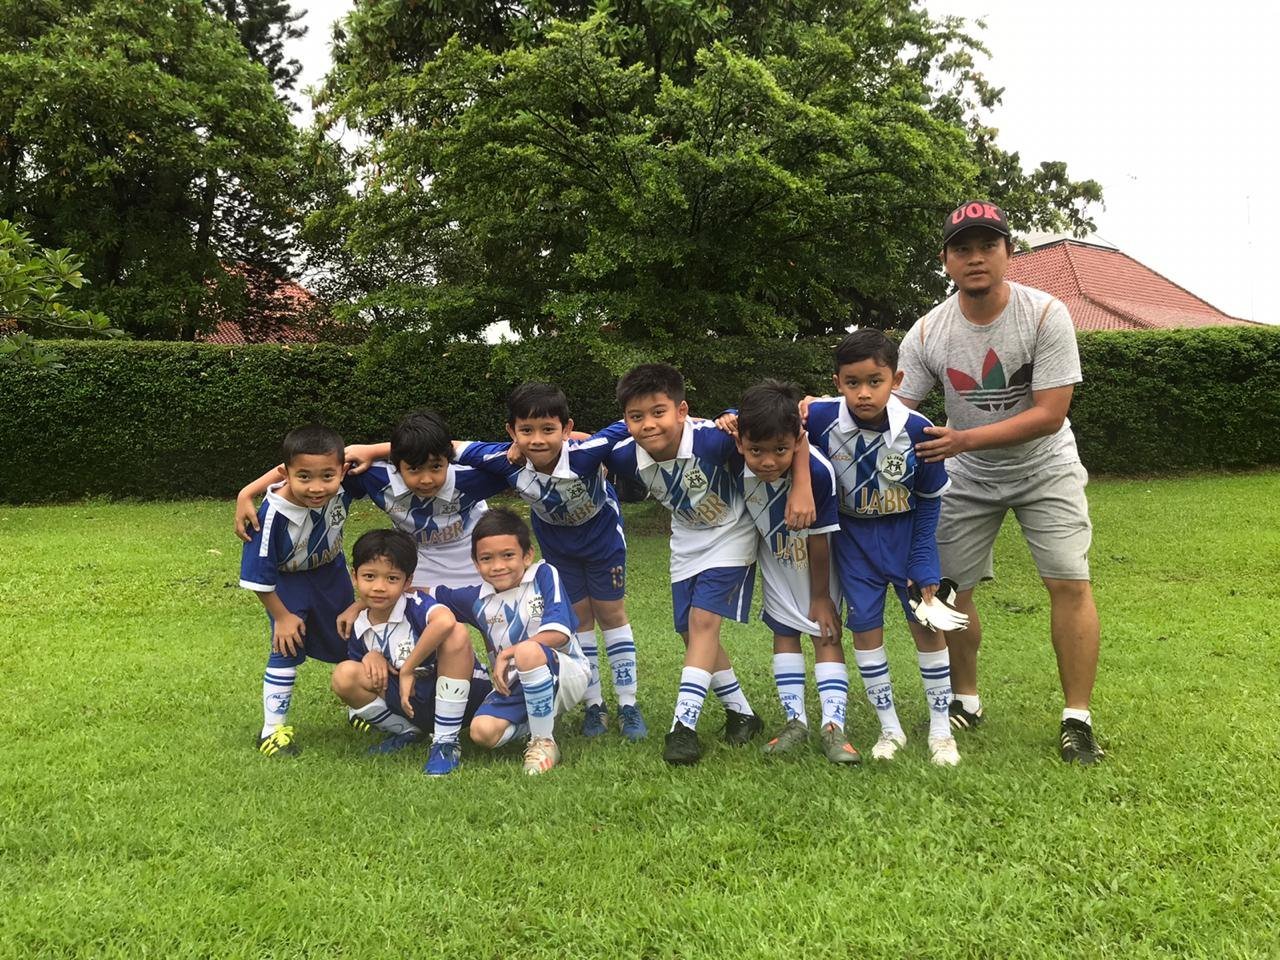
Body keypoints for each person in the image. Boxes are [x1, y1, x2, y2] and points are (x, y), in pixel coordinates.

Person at [895, 200, 1104, 765]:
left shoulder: (1045, 314)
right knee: (944, 590)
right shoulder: (927, 331)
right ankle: (965, 700)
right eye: (962, 248)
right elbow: (893, 409)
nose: (976, 258)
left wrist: (962, 439)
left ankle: (1077, 719)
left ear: (1009, 252)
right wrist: (823, 411)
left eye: (988, 245)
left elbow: (1050, 415)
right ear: (946, 260)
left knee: (1068, 582)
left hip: (1045, 466)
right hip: (967, 474)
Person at [605, 364, 815, 765]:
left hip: (733, 533)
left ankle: (682, 727)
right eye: (636, 416)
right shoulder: (623, 457)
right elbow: (584, 448)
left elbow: (781, 430)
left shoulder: (715, 440)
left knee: (703, 622)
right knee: (689, 632)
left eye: (659, 412)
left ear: (682, 410)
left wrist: (801, 481)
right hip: (686, 540)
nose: (649, 424)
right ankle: (742, 713)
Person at [453, 383, 647, 741]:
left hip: (603, 540)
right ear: (511, 431)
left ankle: (628, 704)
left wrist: (724, 419)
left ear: (566, 428)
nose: (538, 439)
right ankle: (594, 705)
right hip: (558, 547)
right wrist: (369, 451)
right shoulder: (505, 459)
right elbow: (449, 447)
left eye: (548, 429)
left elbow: (637, 420)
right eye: (526, 430)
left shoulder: (586, 453)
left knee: (611, 613)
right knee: (579, 618)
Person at [805, 330, 962, 766]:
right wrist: (729, 416)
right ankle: (889, 728)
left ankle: (941, 730)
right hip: (853, 544)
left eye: (875, 381)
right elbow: (769, 419)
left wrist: (923, 560)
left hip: (907, 541)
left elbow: (929, 501)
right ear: (837, 382)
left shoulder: (919, 430)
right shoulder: (818, 418)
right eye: (852, 382)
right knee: (865, 630)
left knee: (927, 628)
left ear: (897, 379)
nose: (863, 393)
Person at [730, 381, 861, 765]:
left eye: (780, 450)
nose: (767, 461)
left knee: (825, 632)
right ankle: (795, 721)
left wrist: (821, 596)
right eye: (756, 451)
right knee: (784, 633)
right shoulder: (734, 455)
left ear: (796, 443)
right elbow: (717, 425)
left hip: (818, 567)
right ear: (740, 443)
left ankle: (834, 725)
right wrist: (725, 416)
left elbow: (820, 538)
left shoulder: (817, 472)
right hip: (776, 561)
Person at [237, 410, 509, 591]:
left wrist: (375, 448)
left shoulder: (469, 478)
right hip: (420, 561)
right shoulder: (374, 477)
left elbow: (511, 454)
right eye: (414, 469)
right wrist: (247, 492)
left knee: (495, 619)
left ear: (447, 461)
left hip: (470, 556)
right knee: (421, 626)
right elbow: (307, 464)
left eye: (436, 467)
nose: (426, 480)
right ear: (397, 465)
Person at [429, 508, 590, 776]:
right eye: (486, 558)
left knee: (527, 651)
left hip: (566, 673)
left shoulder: (543, 575)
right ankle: (539, 721)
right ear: (475, 562)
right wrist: (366, 602)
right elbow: (428, 594)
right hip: (514, 683)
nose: (498, 566)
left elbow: (560, 632)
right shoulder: (476, 598)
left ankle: (543, 742)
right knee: (482, 733)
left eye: (508, 555)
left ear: (527, 555)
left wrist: (507, 654)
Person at [331, 529, 492, 775]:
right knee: (344, 675)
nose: (379, 587)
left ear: (407, 582)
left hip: (467, 699)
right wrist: (370, 656)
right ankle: (407, 731)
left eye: (392, 578)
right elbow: (358, 666)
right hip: (412, 704)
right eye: (369, 576)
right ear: (355, 576)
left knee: (456, 632)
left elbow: (445, 621)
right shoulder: (359, 624)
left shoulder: (415, 604)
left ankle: (446, 742)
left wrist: (408, 668)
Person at [238, 424, 354, 757]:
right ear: (286, 474)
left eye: (327, 476)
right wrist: (282, 616)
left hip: (331, 573)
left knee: (350, 637)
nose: (317, 487)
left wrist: (245, 491)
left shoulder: (345, 485)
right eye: (304, 477)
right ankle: (271, 730)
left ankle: (361, 708)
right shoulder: (269, 517)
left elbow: (391, 453)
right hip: (287, 582)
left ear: (342, 471)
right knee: (286, 644)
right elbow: (257, 575)